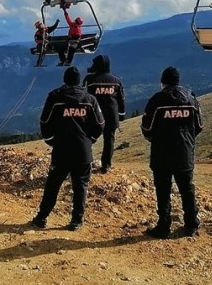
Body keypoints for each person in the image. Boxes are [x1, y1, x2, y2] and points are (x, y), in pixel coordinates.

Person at [31, 66, 104, 231]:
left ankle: (42, 218)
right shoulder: (90, 99)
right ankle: (76, 221)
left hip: (61, 149)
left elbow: (45, 121)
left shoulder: (56, 97)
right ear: (79, 81)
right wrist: (90, 140)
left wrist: (51, 141)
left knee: (53, 184)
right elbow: (100, 124)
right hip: (83, 150)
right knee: (81, 185)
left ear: (64, 80)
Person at [140, 66, 203, 239]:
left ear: (163, 82)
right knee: (187, 188)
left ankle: (164, 225)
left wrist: (154, 138)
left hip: (162, 152)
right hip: (184, 152)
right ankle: (191, 223)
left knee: (163, 189)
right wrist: (187, 138)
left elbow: (147, 127)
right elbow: (199, 125)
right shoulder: (191, 99)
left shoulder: (157, 100)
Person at [83, 55, 126, 174]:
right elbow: (121, 99)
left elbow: (84, 98)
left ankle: (86, 164)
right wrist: (121, 115)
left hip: (94, 116)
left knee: (88, 139)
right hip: (112, 116)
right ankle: (106, 165)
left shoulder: (90, 80)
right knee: (109, 140)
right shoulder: (116, 80)